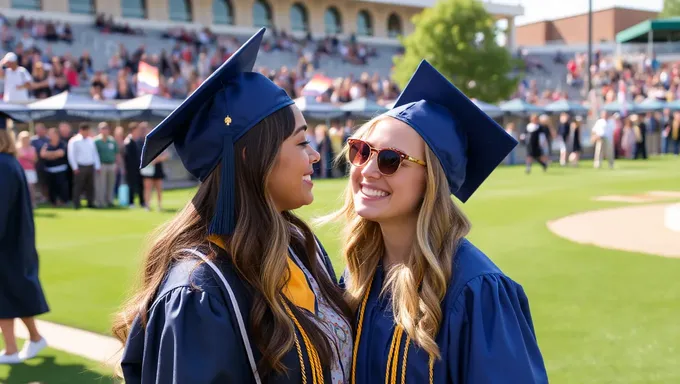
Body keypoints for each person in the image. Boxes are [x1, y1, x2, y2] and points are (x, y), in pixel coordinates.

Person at [114, 28, 352, 383]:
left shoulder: (301, 246)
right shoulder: (199, 296)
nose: (316, 156)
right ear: (249, 156)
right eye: (301, 142)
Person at [328, 61, 548, 383]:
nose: (368, 170)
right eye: (362, 151)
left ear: (432, 180)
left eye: (391, 160)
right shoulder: (359, 273)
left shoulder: (477, 291)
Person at [0, 118, 49, 364]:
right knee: (11, 293)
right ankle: (31, 339)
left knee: (7, 293)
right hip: (14, 239)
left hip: (7, 241)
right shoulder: (9, 163)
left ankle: (12, 348)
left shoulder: (3, 166)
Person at [67, 123, 101, 209]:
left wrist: (97, 166)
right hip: (80, 166)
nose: (87, 133)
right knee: (78, 186)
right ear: (81, 130)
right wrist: (75, 167)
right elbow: (71, 155)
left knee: (90, 186)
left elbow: (94, 154)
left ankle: (90, 202)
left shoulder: (90, 140)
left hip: (90, 165)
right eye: (86, 131)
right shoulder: (74, 140)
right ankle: (76, 203)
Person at [94, 122, 118, 208]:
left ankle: (109, 201)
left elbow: (116, 154)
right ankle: (100, 202)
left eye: (106, 128)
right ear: (99, 130)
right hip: (101, 165)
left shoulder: (112, 140)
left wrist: (116, 164)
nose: (105, 130)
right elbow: (94, 154)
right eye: (103, 128)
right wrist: (97, 165)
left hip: (111, 164)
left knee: (110, 184)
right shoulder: (96, 141)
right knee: (101, 184)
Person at [123, 122, 145, 208]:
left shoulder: (138, 140)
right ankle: (131, 202)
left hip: (139, 167)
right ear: (133, 130)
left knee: (140, 185)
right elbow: (127, 157)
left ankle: (141, 202)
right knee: (131, 185)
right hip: (131, 168)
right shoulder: (128, 141)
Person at [15, 130, 38, 207]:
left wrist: (25, 157)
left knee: (31, 188)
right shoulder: (17, 148)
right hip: (21, 170)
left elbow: (35, 159)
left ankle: (32, 203)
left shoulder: (32, 148)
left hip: (30, 170)